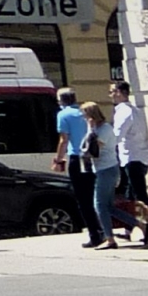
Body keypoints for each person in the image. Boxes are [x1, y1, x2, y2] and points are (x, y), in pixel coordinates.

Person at [52, 86, 98, 246]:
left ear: (61, 101)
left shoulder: (63, 114)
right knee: (94, 196)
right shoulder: (83, 112)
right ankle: (103, 230)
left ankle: (95, 234)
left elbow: (64, 140)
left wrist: (58, 160)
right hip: (91, 158)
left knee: (83, 199)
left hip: (77, 158)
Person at [80, 100, 121, 250]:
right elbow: (84, 146)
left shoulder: (104, 129)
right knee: (109, 206)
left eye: (84, 115)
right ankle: (142, 225)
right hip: (103, 169)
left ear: (91, 114)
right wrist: (89, 130)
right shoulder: (96, 129)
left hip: (107, 169)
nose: (83, 118)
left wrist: (90, 130)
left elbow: (92, 150)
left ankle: (110, 239)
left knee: (99, 205)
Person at [107, 79, 148, 208]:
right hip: (141, 156)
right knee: (130, 195)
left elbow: (117, 136)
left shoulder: (123, 112)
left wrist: (103, 148)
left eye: (112, 92)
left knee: (139, 195)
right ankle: (132, 225)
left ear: (119, 93)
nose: (110, 95)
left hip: (132, 158)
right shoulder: (136, 111)